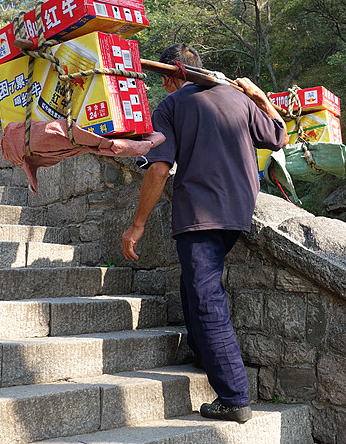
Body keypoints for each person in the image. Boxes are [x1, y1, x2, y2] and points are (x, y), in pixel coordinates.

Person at [121, 44, 287, 423]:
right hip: (238, 210)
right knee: (195, 282)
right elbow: (278, 136)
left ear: (169, 77)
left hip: (200, 211)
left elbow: (159, 167)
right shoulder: (238, 98)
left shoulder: (171, 105)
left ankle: (234, 397)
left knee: (207, 297)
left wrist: (138, 224)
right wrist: (260, 96)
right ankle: (202, 350)